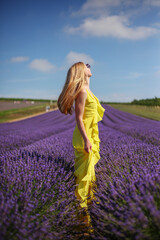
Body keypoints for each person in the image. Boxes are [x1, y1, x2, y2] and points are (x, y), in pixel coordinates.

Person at [57, 61, 105, 233]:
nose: (90, 66)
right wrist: (86, 140)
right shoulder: (83, 92)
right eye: (86, 65)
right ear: (81, 71)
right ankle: (81, 220)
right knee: (83, 179)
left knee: (89, 177)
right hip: (86, 138)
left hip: (91, 135)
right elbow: (78, 118)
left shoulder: (87, 89)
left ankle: (88, 216)